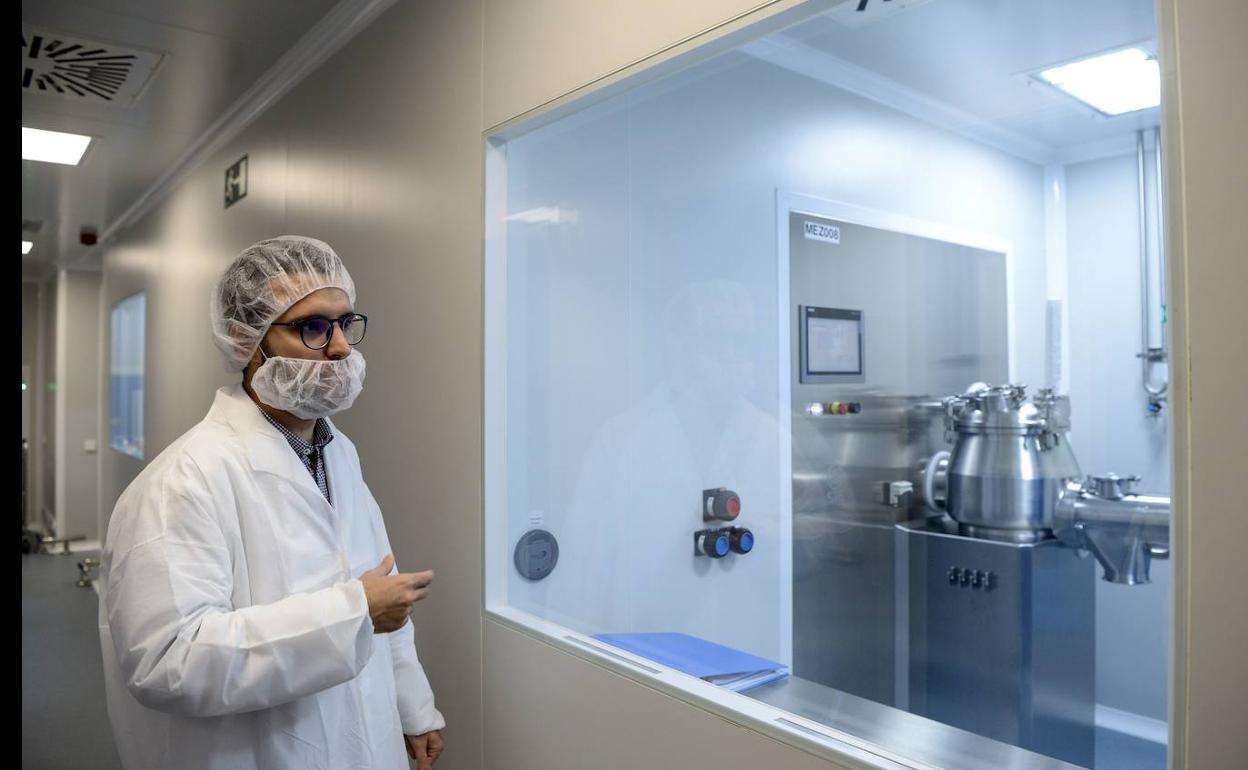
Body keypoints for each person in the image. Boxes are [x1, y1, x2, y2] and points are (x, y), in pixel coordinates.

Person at [97, 236, 445, 770]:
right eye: (313, 326)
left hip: (364, 741)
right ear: (246, 340)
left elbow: (382, 589)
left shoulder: (338, 452)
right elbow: (168, 661)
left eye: (345, 323)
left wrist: (412, 707)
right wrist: (352, 614)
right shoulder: (182, 482)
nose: (340, 348)